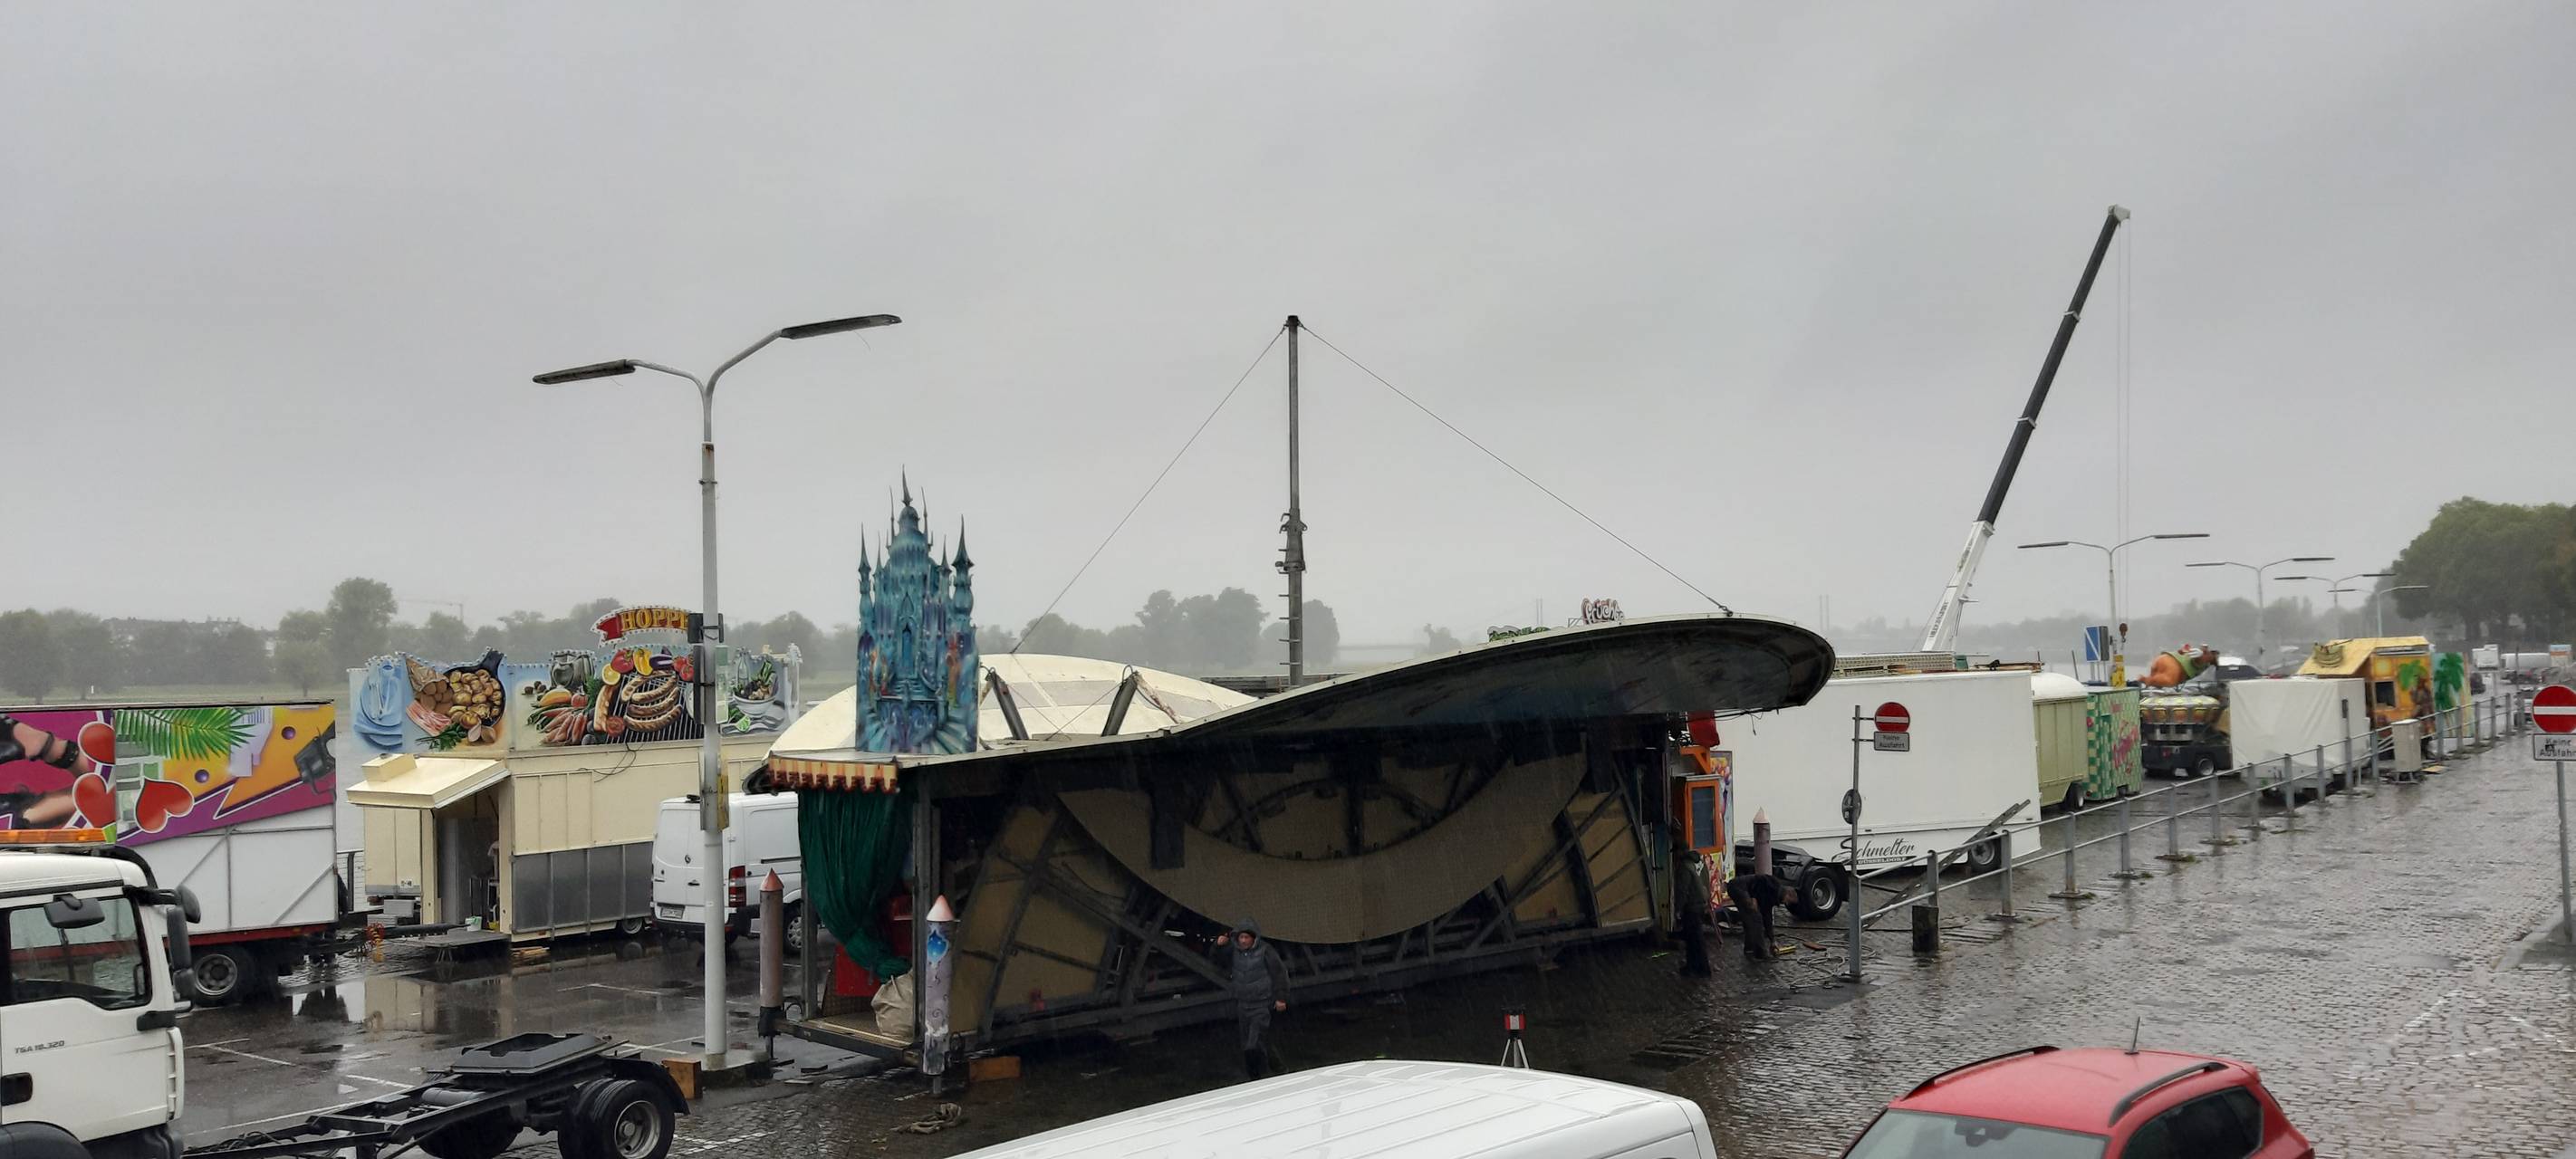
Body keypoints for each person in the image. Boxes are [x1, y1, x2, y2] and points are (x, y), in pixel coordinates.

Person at [1210, 917, 1291, 1078]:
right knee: (1259, 1040)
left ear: (1254, 938)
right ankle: (1280, 1070)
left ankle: (1255, 1076)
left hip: (1262, 1004)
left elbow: (1279, 973)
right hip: (1243, 1004)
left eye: (1247, 937)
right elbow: (1216, 960)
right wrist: (1218, 946)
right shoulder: (1233, 951)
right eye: (1241, 937)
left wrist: (1281, 997)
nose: (1244, 941)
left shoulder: (1266, 951)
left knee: (1252, 1044)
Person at [1727, 870, 1786, 960]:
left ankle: (1749, 949)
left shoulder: (1770, 896)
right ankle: (1760, 953)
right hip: (1739, 887)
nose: (1786, 903)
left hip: (1736, 887)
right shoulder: (1772, 886)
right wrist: (1753, 897)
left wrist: (1772, 940)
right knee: (1756, 919)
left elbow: (1767, 918)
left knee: (1749, 919)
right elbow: (1759, 879)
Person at [1673, 847, 1714, 977]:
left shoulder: (1685, 867)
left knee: (1693, 939)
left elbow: (1682, 890)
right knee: (1696, 937)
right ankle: (1697, 967)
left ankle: (1699, 968)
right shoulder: (1700, 862)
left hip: (1691, 906)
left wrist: (1678, 908)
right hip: (1701, 903)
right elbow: (1707, 881)